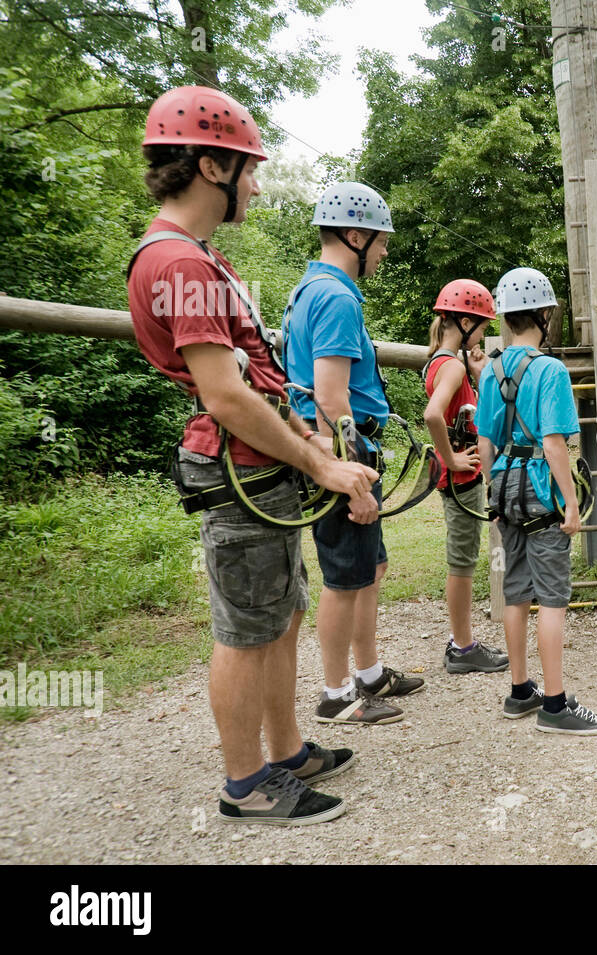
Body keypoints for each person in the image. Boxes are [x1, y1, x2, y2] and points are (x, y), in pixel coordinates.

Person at [127, 86, 379, 824]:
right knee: (246, 630)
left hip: (259, 468)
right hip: (237, 467)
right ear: (211, 165)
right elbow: (226, 396)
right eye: (250, 168)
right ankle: (248, 783)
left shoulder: (201, 258)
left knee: (280, 613)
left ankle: (288, 748)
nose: (259, 184)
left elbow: (254, 379)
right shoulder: (177, 263)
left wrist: (305, 440)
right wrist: (322, 464)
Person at [283, 181, 424, 726]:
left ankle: (368, 672)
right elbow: (330, 395)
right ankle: (336, 694)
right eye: (382, 241)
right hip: (344, 452)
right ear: (356, 234)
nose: (385, 252)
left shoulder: (310, 289)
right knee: (345, 578)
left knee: (372, 565)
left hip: (343, 448)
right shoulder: (338, 296)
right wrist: (351, 478)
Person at [477, 267, 597, 735]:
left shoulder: (491, 369)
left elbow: (485, 443)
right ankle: (555, 705)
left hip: (503, 489)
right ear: (543, 313)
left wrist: (491, 491)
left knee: (515, 592)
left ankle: (520, 692)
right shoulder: (550, 370)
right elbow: (554, 444)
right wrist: (572, 505)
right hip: (540, 491)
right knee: (552, 599)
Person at [421, 278, 509, 674]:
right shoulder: (451, 365)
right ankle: (461, 646)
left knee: (464, 558)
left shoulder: (442, 361)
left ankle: (462, 640)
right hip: (461, 480)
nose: (486, 332)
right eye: (483, 324)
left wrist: (475, 374)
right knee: (462, 562)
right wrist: (452, 459)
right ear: (465, 322)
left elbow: (459, 411)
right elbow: (433, 415)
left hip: (460, 479)